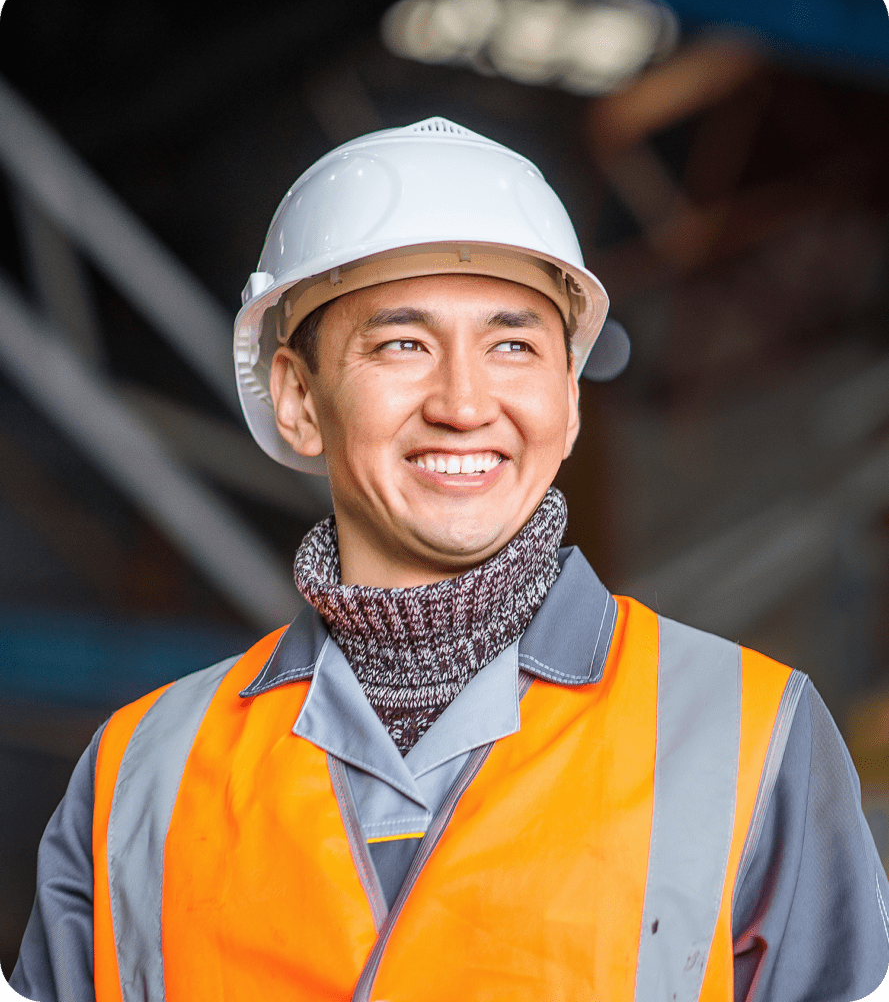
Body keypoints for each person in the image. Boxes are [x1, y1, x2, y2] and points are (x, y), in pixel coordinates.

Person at [10, 117, 889, 1002]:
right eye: (403, 343)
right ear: (297, 398)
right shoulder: (140, 774)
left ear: (568, 401)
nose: (465, 404)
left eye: (513, 345)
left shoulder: (748, 735)